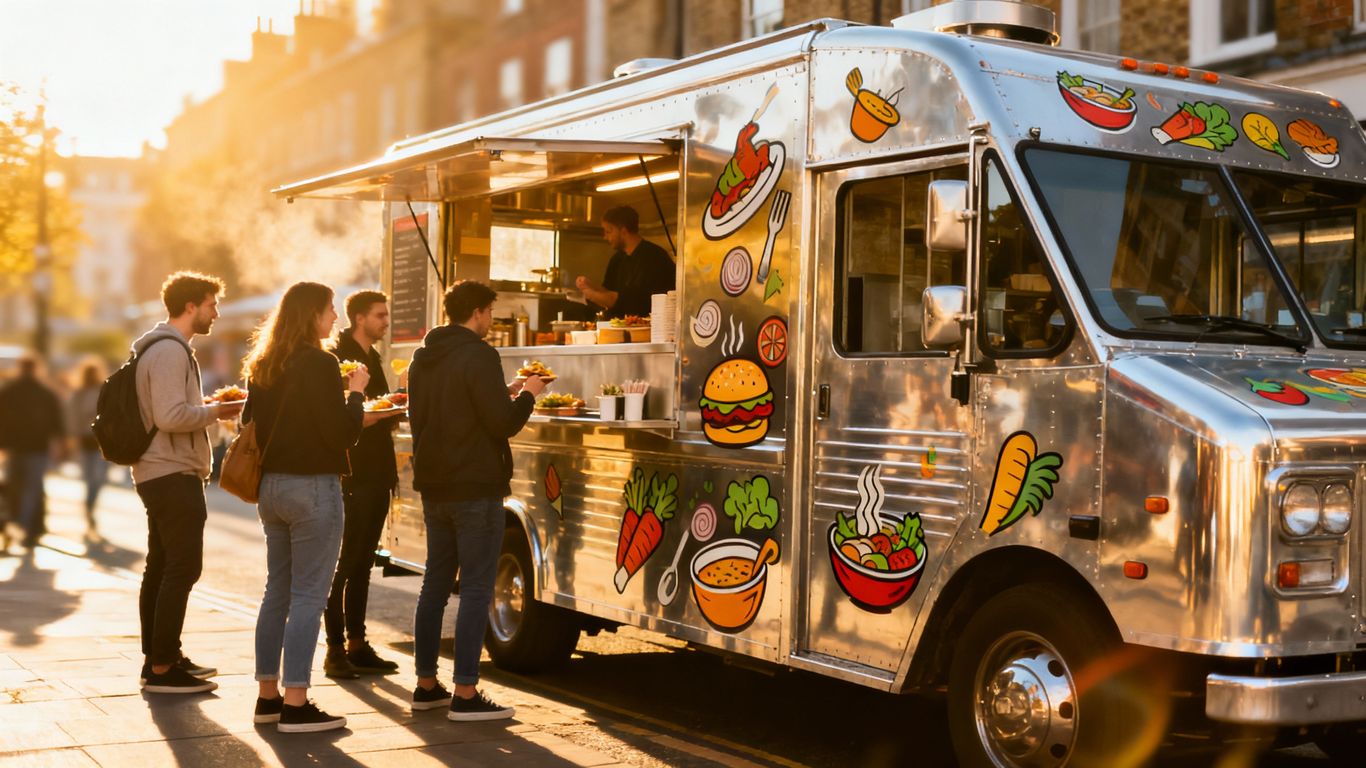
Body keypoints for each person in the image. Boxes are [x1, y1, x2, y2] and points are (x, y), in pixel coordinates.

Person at [241, 281, 377, 733]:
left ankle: (267, 698)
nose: (335, 318)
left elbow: (249, 423)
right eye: (330, 310)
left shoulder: (262, 364)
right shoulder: (322, 363)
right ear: (310, 315)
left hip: (272, 488)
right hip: (313, 489)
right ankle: (296, 702)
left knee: (276, 591)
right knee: (307, 596)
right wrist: (356, 392)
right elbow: (341, 434)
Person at [408, 280, 546, 721]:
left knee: (434, 586)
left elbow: (434, 413)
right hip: (475, 488)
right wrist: (528, 394)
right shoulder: (480, 355)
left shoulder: (424, 357)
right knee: (475, 590)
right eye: (490, 312)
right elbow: (502, 423)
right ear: (479, 312)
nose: (491, 321)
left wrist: (502, 390)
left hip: (435, 486)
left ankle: (426, 685)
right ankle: (465, 692)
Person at [131, 272, 241, 694]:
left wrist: (207, 407)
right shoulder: (170, 352)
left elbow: (172, 411)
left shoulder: (163, 349)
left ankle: (161, 656)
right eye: (212, 304)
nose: (216, 312)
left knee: (160, 566)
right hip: (170, 471)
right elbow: (170, 417)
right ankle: (162, 667)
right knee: (182, 566)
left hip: (162, 470)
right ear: (191, 307)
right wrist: (218, 412)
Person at [322, 290, 402, 678]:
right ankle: (334, 648)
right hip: (354, 472)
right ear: (359, 318)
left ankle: (357, 642)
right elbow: (342, 416)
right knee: (346, 561)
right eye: (379, 315)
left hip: (379, 469)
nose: (385, 321)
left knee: (364, 562)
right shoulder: (339, 357)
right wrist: (383, 411)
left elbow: (380, 407)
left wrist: (396, 405)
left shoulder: (372, 357)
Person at [0, 354, 65, 547]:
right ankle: (25, 527)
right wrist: (60, 444)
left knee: (15, 488)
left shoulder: (10, 391)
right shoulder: (45, 392)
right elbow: (57, 422)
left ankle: (16, 525)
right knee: (31, 489)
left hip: (15, 447)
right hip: (37, 447)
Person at [574, 205, 675, 319]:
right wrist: (591, 286)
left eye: (608, 231)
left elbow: (626, 301)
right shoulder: (617, 259)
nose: (605, 237)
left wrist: (591, 295)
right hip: (618, 327)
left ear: (623, 231)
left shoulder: (655, 257)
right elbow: (609, 291)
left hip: (649, 329)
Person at [68, 358, 107, 532]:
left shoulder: (104, 390)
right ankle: (89, 508)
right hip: (85, 439)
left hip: (102, 441)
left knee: (99, 479)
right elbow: (72, 417)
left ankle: (90, 505)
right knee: (89, 478)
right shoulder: (79, 393)